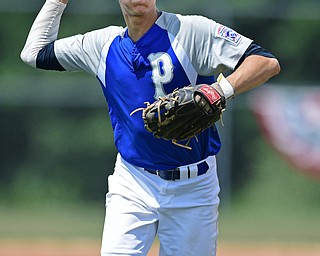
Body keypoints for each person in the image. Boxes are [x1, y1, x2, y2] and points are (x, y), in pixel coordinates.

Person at [21, 0, 280, 255]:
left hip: (194, 187)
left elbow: (265, 62)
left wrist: (218, 91)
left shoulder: (190, 31)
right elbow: (34, 53)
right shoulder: (102, 45)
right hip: (132, 182)